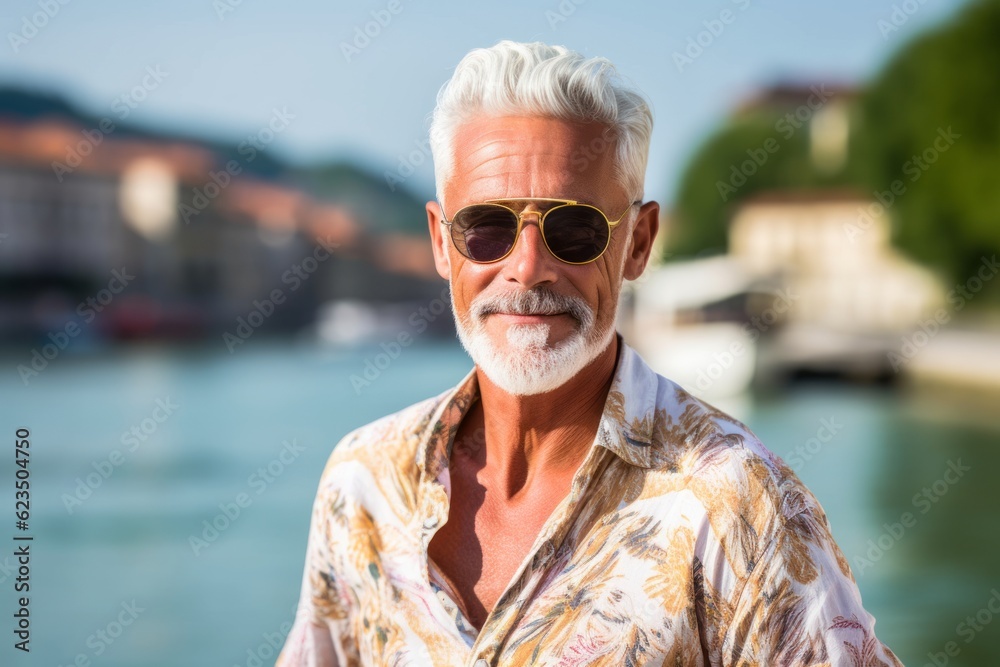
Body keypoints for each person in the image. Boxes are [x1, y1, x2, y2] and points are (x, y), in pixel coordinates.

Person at [277, 40, 901, 666]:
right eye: (487, 228)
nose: (527, 268)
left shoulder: (741, 508)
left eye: (573, 229)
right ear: (443, 243)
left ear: (638, 242)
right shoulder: (361, 485)